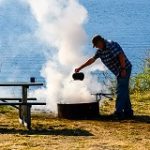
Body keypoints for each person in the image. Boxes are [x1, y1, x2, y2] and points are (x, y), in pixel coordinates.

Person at [75, 35, 133, 120]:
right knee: (123, 90)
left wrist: (123, 69)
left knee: (120, 90)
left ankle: (118, 112)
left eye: (96, 45)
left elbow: (121, 56)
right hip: (118, 71)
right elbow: (92, 60)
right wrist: (80, 68)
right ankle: (128, 112)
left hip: (124, 68)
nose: (96, 47)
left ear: (100, 42)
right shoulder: (100, 51)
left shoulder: (111, 45)